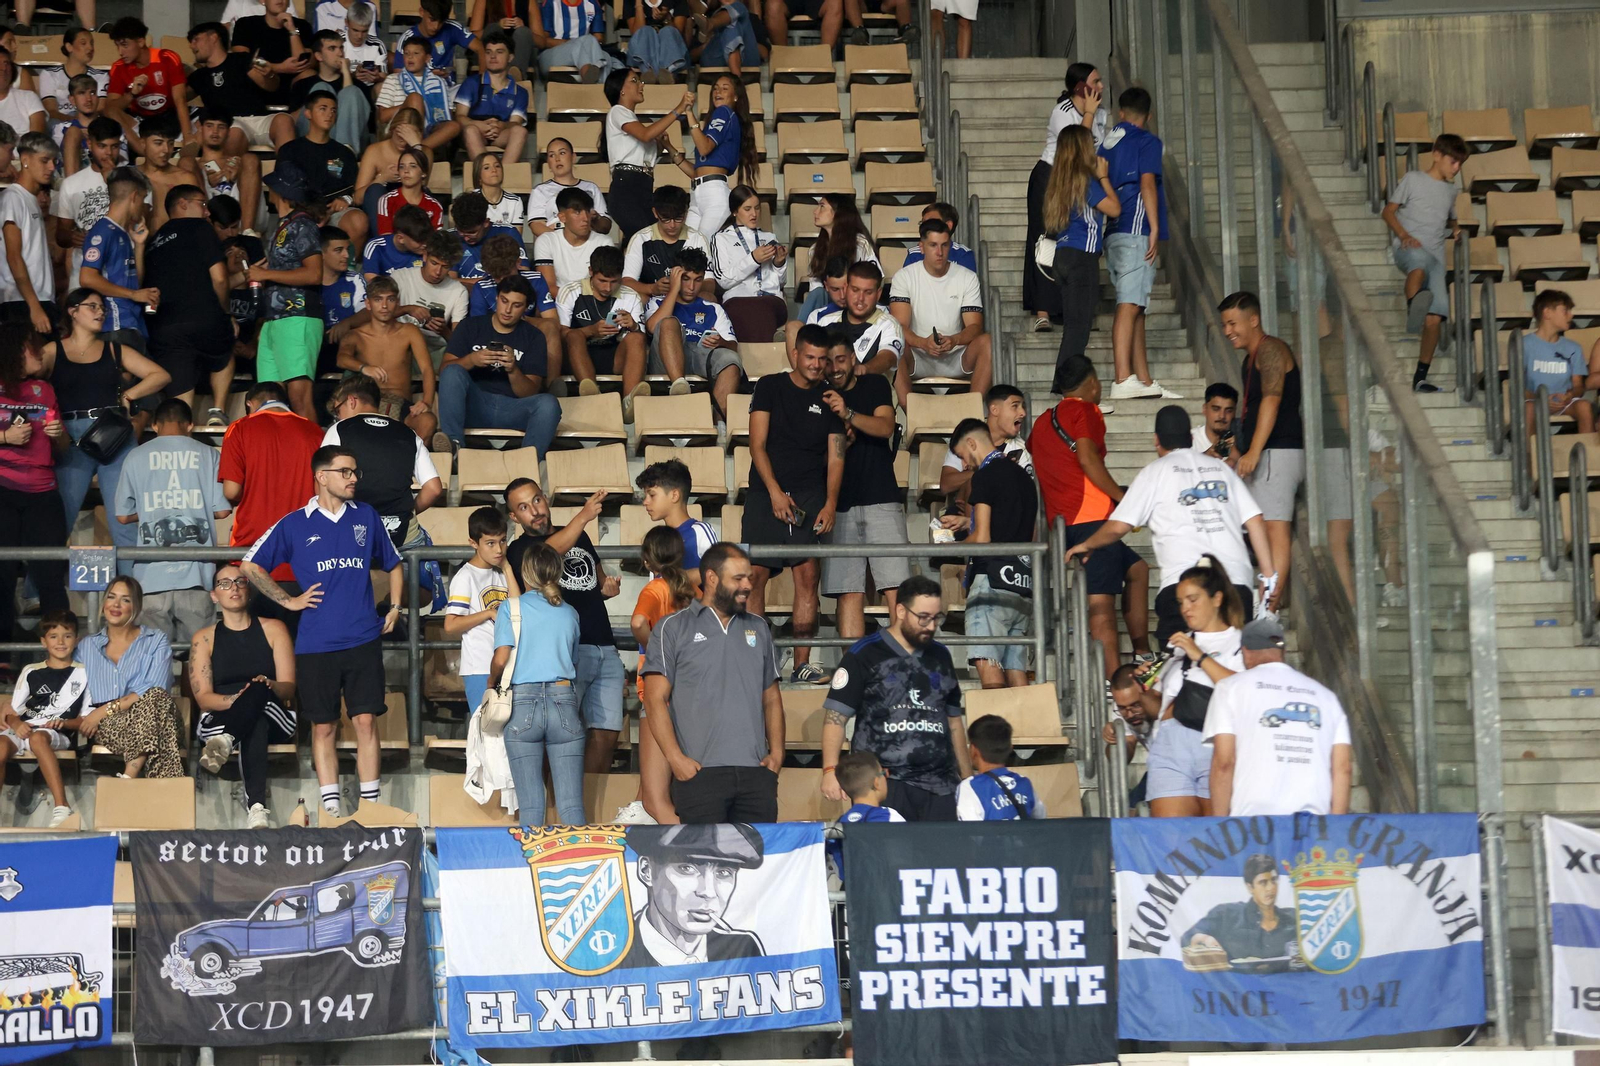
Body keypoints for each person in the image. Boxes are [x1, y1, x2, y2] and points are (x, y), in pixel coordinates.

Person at [241, 445, 404, 817]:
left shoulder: (367, 516)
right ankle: (331, 809)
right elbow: (251, 565)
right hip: (315, 645)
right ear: (321, 476)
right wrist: (288, 601)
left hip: (363, 637)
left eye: (355, 472)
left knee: (365, 720)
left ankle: (371, 808)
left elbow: (394, 564)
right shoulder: (294, 522)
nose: (353, 479)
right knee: (323, 726)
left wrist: (394, 606)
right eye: (345, 471)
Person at [1067, 405, 1276, 646]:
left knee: (1181, 672)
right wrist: (1269, 577)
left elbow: (1118, 526)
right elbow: (1255, 520)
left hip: (1184, 588)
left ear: (1156, 440)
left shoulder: (1155, 472)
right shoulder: (1221, 469)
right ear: (1190, 438)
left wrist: (1086, 544)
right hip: (1234, 585)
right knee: (1231, 669)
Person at [642, 542, 783, 823]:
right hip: (699, 775)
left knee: (756, 866)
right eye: (738, 578)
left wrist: (777, 754)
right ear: (711, 578)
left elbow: (771, 697)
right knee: (703, 865)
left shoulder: (759, 628)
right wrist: (675, 760)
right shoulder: (672, 627)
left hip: (755, 775)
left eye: (749, 578)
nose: (746, 586)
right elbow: (654, 699)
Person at [1030, 354, 1151, 679]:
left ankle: (1143, 652)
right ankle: (1115, 684)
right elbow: (1087, 459)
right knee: (1101, 607)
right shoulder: (1086, 410)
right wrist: (1123, 499)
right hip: (1092, 520)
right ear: (1093, 382)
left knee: (1138, 570)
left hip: (1065, 523)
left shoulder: (1042, 421)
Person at [821, 574, 969, 820]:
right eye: (923, 617)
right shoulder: (864, 654)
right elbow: (835, 718)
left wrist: (967, 778)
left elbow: (953, 723)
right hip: (885, 786)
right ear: (900, 610)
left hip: (942, 785)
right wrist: (829, 770)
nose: (931, 626)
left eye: (936, 618)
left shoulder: (942, 655)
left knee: (943, 859)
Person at [505, 479, 625, 775]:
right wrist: (583, 516)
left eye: (536, 500)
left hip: (605, 647)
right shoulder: (520, 549)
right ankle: (556, 810)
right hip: (566, 654)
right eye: (522, 507)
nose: (533, 510)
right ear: (514, 518)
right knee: (557, 737)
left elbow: (596, 581)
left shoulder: (579, 536)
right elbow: (548, 552)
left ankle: (584, 808)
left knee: (606, 733)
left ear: (545, 499)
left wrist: (606, 589)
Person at [745, 324, 843, 684]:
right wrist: (773, 491)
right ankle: (758, 661)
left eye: (822, 359)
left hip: (810, 495)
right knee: (754, 577)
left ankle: (802, 664)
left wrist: (830, 502)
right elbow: (757, 444)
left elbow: (836, 457)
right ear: (796, 355)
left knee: (807, 576)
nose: (817, 365)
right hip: (764, 492)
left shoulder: (832, 398)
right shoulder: (769, 385)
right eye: (811, 357)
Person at [45, 288, 170, 559]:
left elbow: (160, 375)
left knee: (123, 518)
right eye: (92, 306)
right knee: (60, 517)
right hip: (69, 436)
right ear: (72, 311)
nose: (100, 312)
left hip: (112, 434)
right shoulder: (53, 350)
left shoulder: (114, 348)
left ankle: (133, 593)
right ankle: (38, 595)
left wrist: (130, 394)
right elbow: (22, 375)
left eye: (102, 307)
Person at [1205, 616, 1353, 817]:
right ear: (1282, 652)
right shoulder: (1326, 697)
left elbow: (1224, 763)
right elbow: (1343, 769)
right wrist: (1334, 828)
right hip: (1314, 825)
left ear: (1246, 652)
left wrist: (1222, 826)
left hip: (1252, 823)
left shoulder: (1229, 689)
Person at [114, 400, 232, 643]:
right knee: (198, 659)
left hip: (150, 579)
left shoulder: (135, 456)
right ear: (189, 425)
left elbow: (123, 515)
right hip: (196, 578)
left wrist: (149, 511)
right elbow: (222, 512)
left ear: (155, 425)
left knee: (154, 661)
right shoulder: (209, 454)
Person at [190, 565, 298, 828]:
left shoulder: (275, 629)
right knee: (253, 720)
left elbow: (288, 688)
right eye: (224, 583)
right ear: (214, 595)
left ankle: (226, 741)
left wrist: (264, 687)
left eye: (240, 581)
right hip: (220, 716)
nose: (234, 587)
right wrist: (241, 700)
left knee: (259, 690)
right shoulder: (204, 638)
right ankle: (257, 808)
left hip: (274, 712)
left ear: (249, 589)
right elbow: (204, 698)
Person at [1140, 557, 1245, 818]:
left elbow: (1245, 690)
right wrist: (1143, 689)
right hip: (1167, 745)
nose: (1185, 608)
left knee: (1216, 841)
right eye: (1181, 602)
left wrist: (1199, 655)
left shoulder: (1240, 641)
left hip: (1214, 746)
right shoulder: (1178, 646)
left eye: (1193, 599)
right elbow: (1159, 707)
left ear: (1217, 599)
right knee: (1170, 840)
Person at [488, 540, 584, 825]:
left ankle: (532, 867)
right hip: (563, 699)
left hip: (523, 703)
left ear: (526, 573)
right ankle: (581, 861)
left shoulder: (511, 607)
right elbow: (573, 661)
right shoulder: (570, 612)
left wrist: (490, 683)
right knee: (571, 805)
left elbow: (501, 657)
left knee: (530, 807)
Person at [218, 382, 325, 632]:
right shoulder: (314, 431)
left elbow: (231, 490)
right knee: (298, 652)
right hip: (305, 560)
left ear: (249, 405)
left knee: (258, 652)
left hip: (254, 556)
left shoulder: (240, 428)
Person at [819, 331, 905, 642]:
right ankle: (851, 669)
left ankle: (904, 664)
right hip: (838, 505)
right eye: (828, 362)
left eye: (840, 359)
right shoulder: (819, 394)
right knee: (848, 591)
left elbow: (884, 427)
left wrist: (849, 415)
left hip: (881, 498)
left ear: (854, 359)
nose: (834, 368)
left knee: (895, 588)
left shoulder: (875, 384)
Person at [1220, 290, 1300, 612]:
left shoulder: (1271, 349)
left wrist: (1254, 451)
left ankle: (1270, 611)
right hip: (1265, 454)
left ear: (1253, 320)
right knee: (1264, 530)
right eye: (1224, 325)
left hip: (1278, 453)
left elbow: (1272, 399)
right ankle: (1267, 604)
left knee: (1274, 530)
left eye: (1232, 323)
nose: (1228, 331)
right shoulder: (1248, 360)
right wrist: (1242, 451)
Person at [949, 416, 1038, 690]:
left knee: (987, 664)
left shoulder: (985, 475)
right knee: (1015, 670)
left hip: (992, 583)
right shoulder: (1023, 476)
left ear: (972, 443)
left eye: (963, 456)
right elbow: (1016, 525)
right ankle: (1026, 731)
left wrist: (953, 550)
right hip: (1022, 583)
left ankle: (997, 732)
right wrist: (968, 523)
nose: (965, 465)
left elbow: (983, 538)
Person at [1101, 87, 1178, 401]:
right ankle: (1122, 378)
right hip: (1136, 228)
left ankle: (1144, 381)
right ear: (1148, 116)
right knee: (1130, 304)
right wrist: (1155, 227)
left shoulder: (1106, 142)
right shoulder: (1147, 141)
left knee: (1137, 307)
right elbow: (1147, 181)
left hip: (1114, 230)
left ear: (1121, 112)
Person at [1381, 133, 1466, 393]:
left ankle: (1420, 378)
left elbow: (1451, 218)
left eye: (1461, 163)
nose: (1457, 167)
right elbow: (1388, 211)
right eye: (1454, 161)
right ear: (1437, 155)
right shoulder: (1413, 179)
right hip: (1409, 247)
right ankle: (1412, 306)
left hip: (1437, 256)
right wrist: (1404, 235)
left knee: (1435, 318)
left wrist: (1456, 228)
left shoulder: (1451, 191)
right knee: (1417, 261)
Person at [0, 325, 68, 650]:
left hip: (43, 493)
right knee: (1, 576)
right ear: (14, 351)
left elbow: (63, 447)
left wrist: (58, 435)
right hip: (3, 492)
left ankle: (62, 656)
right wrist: (4, 438)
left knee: (51, 575)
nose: (40, 352)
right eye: (33, 346)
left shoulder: (45, 389)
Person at [1042, 125, 1123, 397]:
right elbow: (1114, 208)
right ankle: (1066, 388)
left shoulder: (1060, 181)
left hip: (1063, 257)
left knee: (1073, 327)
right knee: (1079, 330)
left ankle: (1062, 384)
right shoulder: (1085, 182)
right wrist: (1103, 177)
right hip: (1081, 259)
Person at [76, 575, 184, 779]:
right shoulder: (87, 646)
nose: (116, 605)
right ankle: (162, 795)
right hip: (112, 726)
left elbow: (156, 689)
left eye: (125, 599)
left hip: (152, 712)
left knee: (155, 699)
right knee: (162, 732)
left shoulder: (155, 640)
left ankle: (129, 776)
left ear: (136, 606)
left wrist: (102, 711)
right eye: (111, 597)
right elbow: (64, 681)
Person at [1025, 62, 1104, 332]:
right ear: (1081, 87)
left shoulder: (1099, 113)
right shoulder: (1063, 112)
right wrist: (1090, 115)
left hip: (1079, 179)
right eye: (1096, 81)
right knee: (1045, 237)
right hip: (1051, 177)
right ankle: (1043, 310)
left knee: (1070, 240)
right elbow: (1078, 147)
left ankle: (1070, 307)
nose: (1101, 87)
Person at [440, 275, 560, 453]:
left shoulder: (534, 336)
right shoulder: (470, 326)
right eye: (504, 301)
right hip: (474, 404)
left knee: (549, 404)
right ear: (496, 298)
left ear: (525, 309)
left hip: (512, 408)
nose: (508, 310)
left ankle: (528, 462)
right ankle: (454, 448)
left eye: (516, 305)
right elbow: (444, 372)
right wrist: (471, 360)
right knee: (452, 372)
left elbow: (531, 391)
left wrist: (513, 370)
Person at [145, 185, 235, 423]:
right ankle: (217, 410)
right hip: (204, 317)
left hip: (163, 324)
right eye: (203, 204)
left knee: (180, 374)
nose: (207, 212)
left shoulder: (154, 240)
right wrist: (225, 311)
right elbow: (220, 277)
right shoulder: (200, 228)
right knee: (226, 348)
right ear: (183, 204)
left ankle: (182, 425)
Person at [323, 376, 444, 551]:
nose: (337, 417)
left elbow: (324, 482)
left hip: (354, 539)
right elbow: (434, 488)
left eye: (337, 411)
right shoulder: (408, 433)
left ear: (351, 401)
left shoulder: (340, 429)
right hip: (402, 538)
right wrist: (405, 514)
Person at [625, 525, 695, 824]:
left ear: (647, 561)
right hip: (691, 693)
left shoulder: (654, 589)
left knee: (656, 802)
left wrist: (652, 647)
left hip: (658, 694)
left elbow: (639, 621)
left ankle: (696, 854)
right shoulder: (694, 588)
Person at [621, 823, 765, 966]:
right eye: (686, 868)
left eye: (723, 873)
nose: (708, 892)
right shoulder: (613, 955)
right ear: (647, 870)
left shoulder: (742, 949)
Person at [889, 218, 993, 409]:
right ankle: (913, 418)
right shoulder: (904, 277)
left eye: (945, 245)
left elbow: (975, 327)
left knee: (987, 341)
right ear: (921, 247)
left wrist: (954, 340)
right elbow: (898, 326)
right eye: (933, 245)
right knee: (895, 344)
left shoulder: (967, 277)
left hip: (956, 355)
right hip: (917, 357)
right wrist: (923, 343)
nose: (939, 252)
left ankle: (972, 413)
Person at [249, 164, 327, 420]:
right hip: (276, 321)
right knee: (268, 400)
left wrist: (266, 274)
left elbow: (314, 273)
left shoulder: (303, 225)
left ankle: (313, 460)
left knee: (299, 398)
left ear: (281, 191)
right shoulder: (284, 224)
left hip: (299, 317)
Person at [0, 610, 87, 826]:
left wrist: (64, 722)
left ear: (76, 640)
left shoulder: (84, 673)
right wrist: (17, 723)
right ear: (43, 641)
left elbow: (85, 719)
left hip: (56, 732)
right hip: (25, 728)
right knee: (0, 745)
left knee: (39, 738)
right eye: (53, 636)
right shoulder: (31, 671)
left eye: (67, 636)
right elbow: (11, 713)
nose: (60, 642)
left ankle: (62, 807)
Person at [335, 274, 437, 438]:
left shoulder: (409, 331)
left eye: (390, 299)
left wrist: (426, 402)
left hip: (402, 404)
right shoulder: (356, 335)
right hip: (369, 404)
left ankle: (413, 463)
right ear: (368, 303)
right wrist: (365, 368)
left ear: (397, 302)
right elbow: (342, 359)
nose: (384, 306)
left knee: (428, 421)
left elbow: (427, 369)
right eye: (378, 300)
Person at [644, 252, 744, 418]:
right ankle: (681, 391)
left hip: (699, 355)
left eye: (698, 280)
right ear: (675, 276)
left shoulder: (713, 308)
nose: (691, 287)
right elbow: (653, 327)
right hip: (664, 359)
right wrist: (674, 289)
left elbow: (733, 347)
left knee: (730, 361)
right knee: (668, 323)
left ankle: (717, 427)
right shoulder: (657, 302)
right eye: (685, 279)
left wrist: (721, 342)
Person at [557, 245, 649, 417]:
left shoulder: (630, 296)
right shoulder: (570, 291)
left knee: (636, 338)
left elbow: (642, 341)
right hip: (577, 356)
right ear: (591, 271)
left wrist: (634, 326)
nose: (608, 288)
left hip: (613, 356)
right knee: (574, 335)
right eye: (602, 281)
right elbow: (560, 335)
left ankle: (629, 403)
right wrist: (591, 331)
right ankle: (593, 396)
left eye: (614, 282)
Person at [604, 69, 692, 241]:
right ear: (621, 89)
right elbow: (645, 135)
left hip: (643, 187)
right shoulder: (617, 111)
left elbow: (647, 152)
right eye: (635, 80)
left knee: (649, 242)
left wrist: (661, 144)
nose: (641, 84)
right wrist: (679, 109)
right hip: (626, 188)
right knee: (646, 241)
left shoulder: (633, 120)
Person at [77, 166, 154, 354]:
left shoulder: (123, 233)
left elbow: (135, 284)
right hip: (114, 324)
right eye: (143, 199)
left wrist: (140, 246)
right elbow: (87, 278)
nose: (143, 206)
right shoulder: (103, 231)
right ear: (134, 196)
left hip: (131, 322)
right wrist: (134, 295)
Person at [184, 22, 280, 165]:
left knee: (284, 121)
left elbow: (271, 87)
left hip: (259, 118)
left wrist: (270, 75)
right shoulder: (199, 76)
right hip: (231, 124)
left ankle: (288, 174)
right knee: (234, 131)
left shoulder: (241, 60)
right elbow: (178, 97)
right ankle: (226, 179)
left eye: (196, 39)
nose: (192, 46)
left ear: (214, 37)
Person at [278, 88, 364, 244]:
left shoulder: (344, 153)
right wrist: (308, 213)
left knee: (358, 220)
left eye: (333, 110)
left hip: (333, 212)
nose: (329, 114)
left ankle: (350, 268)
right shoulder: (290, 150)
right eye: (323, 109)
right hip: (301, 212)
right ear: (308, 113)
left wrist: (345, 199)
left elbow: (353, 189)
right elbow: (283, 191)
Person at [1182, 854, 1297, 970]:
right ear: (1250, 887)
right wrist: (1205, 939)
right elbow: (1187, 938)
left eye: (1274, 880)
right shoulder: (1226, 914)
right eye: (1263, 882)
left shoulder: (1295, 918)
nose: (1270, 888)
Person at [447, 505, 511, 712]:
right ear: (473, 543)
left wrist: (507, 567)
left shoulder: (501, 573)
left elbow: (519, 607)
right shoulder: (465, 576)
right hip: (480, 666)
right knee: (485, 730)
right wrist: (489, 613)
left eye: (503, 541)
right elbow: (451, 625)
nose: (499, 549)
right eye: (490, 543)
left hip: (507, 664)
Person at [712, 184, 788, 343]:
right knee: (747, 310)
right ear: (734, 211)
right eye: (747, 209)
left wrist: (779, 264)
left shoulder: (769, 237)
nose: (754, 214)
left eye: (757, 208)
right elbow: (723, 280)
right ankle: (767, 355)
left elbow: (780, 283)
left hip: (770, 299)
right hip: (738, 299)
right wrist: (753, 259)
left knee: (762, 308)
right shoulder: (721, 238)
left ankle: (759, 359)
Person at [684, 73, 758, 236]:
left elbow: (704, 148)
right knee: (688, 251)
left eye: (725, 89)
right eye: (715, 89)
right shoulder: (717, 121)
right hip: (699, 193)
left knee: (700, 249)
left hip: (713, 194)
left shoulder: (724, 112)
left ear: (736, 96)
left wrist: (689, 113)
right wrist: (671, 150)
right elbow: (697, 172)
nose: (718, 92)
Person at [0, 131, 58, 331]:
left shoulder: (30, 199)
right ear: (25, 160)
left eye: (53, 161)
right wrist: (34, 307)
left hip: (39, 298)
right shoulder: (13, 198)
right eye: (44, 161)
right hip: (21, 302)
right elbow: (13, 256)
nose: (51, 167)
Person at [53, 118, 120, 290]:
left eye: (114, 146)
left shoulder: (131, 179)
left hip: (119, 272)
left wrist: (112, 183)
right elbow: (61, 235)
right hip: (83, 274)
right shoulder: (72, 184)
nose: (109, 153)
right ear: (89, 144)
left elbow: (138, 220)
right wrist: (72, 236)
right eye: (102, 146)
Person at [105, 18, 191, 146]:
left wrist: (188, 136)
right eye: (117, 45)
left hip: (167, 116)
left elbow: (180, 99)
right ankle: (141, 150)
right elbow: (111, 109)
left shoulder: (167, 58)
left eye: (125, 45)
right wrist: (131, 94)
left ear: (140, 42)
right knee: (108, 112)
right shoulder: (118, 67)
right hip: (139, 119)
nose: (120, 52)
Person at [939, 383, 1031, 499]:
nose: (1023, 413)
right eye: (1015, 406)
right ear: (994, 409)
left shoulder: (1021, 450)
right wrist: (993, 468)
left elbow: (1020, 497)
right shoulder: (969, 436)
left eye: (1023, 406)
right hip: (960, 512)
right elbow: (946, 484)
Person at [1523, 288, 1594, 435]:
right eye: (1565, 310)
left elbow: (1578, 385)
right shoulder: (1524, 345)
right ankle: (1530, 456)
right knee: (1528, 409)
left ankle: (1587, 456)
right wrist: (1541, 398)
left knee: (1584, 407)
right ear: (1547, 313)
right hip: (1535, 401)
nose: (1571, 315)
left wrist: (1570, 395)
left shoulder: (1573, 347)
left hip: (1564, 403)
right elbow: (1518, 388)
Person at [622, 184, 709, 301]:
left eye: (678, 218)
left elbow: (709, 283)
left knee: (708, 297)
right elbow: (627, 281)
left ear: (686, 212)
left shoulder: (697, 239)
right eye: (666, 218)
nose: (672, 225)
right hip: (652, 300)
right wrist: (652, 288)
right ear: (655, 213)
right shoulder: (641, 239)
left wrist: (682, 288)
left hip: (687, 301)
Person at [454, 28, 528, 164]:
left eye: (499, 52)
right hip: (475, 131)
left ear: (510, 57)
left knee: (520, 131)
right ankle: (484, 175)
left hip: (500, 133)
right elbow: (459, 117)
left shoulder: (521, 92)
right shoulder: (471, 82)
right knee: (470, 130)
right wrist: (478, 125)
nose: (493, 56)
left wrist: (501, 125)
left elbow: (515, 122)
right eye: (488, 52)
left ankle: (505, 176)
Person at [815, 261, 902, 376]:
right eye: (855, 290)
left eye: (868, 292)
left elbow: (888, 357)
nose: (860, 298)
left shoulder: (889, 324)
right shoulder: (825, 322)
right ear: (846, 289)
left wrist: (864, 369)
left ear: (878, 294)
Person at [637, 457, 716, 581]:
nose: (645, 502)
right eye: (645, 496)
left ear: (674, 495)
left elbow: (716, 572)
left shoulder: (699, 531)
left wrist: (672, 580)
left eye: (652, 495)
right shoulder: (656, 540)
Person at [802, 193, 877, 325]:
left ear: (838, 213)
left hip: (855, 300)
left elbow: (875, 277)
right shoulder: (815, 249)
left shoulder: (860, 243)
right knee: (817, 293)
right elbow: (815, 288)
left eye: (822, 207)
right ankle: (801, 331)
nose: (815, 211)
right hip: (829, 300)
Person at [232, 0, 317, 114]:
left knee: (310, 75)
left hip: (292, 86)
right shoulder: (247, 24)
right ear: (263, 1)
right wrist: (279, 68)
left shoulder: (301, 26)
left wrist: (292, 30)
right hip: (260, 81)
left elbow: (302, 62)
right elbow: (240, 60)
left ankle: (297, 120)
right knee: (250, 72)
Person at [376, 39, 460, 153]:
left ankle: (418, 149)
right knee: (415, 98)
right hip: (400, 129)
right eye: (406, 53)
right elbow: (382, 116)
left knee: (454, 126)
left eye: (416, 53)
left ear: (427, 58)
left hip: (431, 131)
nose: (410, 57)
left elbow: (447, 114)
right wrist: (410, 104)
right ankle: (417, 147)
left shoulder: (439, 82)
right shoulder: (393, 79)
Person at [955, 715, 1045, 820]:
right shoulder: (1024, 783)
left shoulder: (970, 787)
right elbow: (1041, 819)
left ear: (973, 750)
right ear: (1010, 748)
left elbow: (969, 832)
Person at [392, 229, 468, 353]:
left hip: (434, 350)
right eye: (434, 263)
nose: (438, 272)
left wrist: (443, 330)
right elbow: (380, 315)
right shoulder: (400, 278)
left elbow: (458, 342)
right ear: (425, 256)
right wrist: (408, 309)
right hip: (398, 345)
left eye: (445, 267)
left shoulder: (459, 291)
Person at [534, 187, 618, 292]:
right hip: (559, 303)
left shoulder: (604, 243)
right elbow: (549, 287)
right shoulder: (546, 241)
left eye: (587, 211)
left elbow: (606, 286)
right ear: (562, 217)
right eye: (577, 212)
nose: (586, 218)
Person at [355, 109, 429, 224]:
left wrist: (416, 146)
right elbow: (357, 198)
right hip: (381, 213)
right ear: (392, 129)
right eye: (399, 133)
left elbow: (423, 184)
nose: (402, 140)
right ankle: (384, 240)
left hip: (411, 214)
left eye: (408, 135)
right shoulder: (374, 151)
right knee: (375, 189)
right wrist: (382, 179)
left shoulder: (424, 152)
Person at [134, 112, 203, 233]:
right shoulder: (130, 177)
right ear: (143, 144)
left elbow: (198, 222)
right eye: (158, 143)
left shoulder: (185, 179)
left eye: (170, 143)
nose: (166, 150)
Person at [527, 137, 611, 237]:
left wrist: (596, 218)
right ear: (548, 163)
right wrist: (563, 241)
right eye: (552, 155)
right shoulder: (540, 191)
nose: (557, 159)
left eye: (562, 153)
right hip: (555, 243)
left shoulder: (591, 188)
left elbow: (605, 226)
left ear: (573, 157)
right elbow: (537, 225)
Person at [531, 0, 622, 81]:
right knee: (581, 45)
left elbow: (598, 37)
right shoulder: (550, 3)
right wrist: (573, 43)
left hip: (585, 49)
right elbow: (543, 41)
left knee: (606, 57)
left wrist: (581, 43)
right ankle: (589, 76)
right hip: (551, 56)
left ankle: (596, 87)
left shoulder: (592, 3)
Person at [393, 0, 483, 80]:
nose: (436, 27)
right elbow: (398, 73)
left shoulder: (452, 28)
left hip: (449, 89)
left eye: (441, 21)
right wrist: (426, 76)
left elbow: (481, 49)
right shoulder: (407, 38)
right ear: (421, 12)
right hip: (418, 90)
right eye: (432, 20)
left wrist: (482, 81)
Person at [38, 30, 106, 127]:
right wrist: (73, 122)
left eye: (92, 43)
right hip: (60, 125)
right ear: (69, 47)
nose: (90, 48)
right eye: (83, 43)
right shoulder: (50, 74)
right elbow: (51, 111)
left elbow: (100, 108)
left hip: (91, 125)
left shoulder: (101, 76)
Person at [375, 147, 444, 236]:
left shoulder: (435, 206)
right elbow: (386, 239)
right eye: (402, 167)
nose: (406, 171)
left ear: (424, 173)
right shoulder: (386, 201)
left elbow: (436, 242)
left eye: (413, 166)